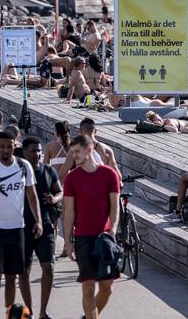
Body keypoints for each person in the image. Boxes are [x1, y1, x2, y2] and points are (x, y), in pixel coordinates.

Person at [0, 131, 43, 319]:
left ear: (15, 145)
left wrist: (38, 220)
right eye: (2, 146)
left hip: (17, 228)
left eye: (9, 146)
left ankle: (9, 314)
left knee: (12, 276)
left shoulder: (24, 166)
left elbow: (32, 195)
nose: (5, 150)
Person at [63, 135, 119, 319]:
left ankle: (88, 317)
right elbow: (69, 212)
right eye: (72, 152)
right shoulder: (72, 179)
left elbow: (115, 206)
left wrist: (112, 230)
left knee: (107, 288)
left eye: (77, 151)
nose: (74, 156)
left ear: (89, 149)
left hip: (104, 237)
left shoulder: (109, 174)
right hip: (83, 237)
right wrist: (68, 241)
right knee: (88, 287)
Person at [18, 137, 63, 319]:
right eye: (33, 151)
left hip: (45, 226)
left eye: (39, 151)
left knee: (49, 268)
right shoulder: (17, 172)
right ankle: (28, 311)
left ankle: (43, 311)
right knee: (24, 272)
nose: (37, 154)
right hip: (22, 227)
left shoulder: (48, 170)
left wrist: (55, 199)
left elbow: (60, 191)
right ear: (24, 153)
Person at [58, 118, 122, 183]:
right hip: (102, 189)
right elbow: (118, 176)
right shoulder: (107, 150)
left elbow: (62, 175)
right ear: (96, 131)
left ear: (80, 131)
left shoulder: (75, 150)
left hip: (83, 188)